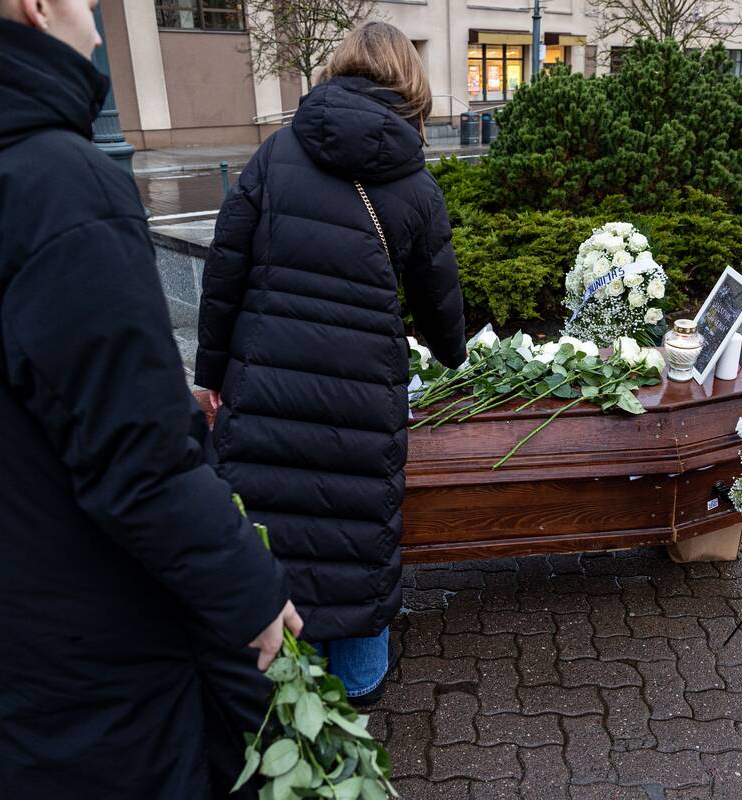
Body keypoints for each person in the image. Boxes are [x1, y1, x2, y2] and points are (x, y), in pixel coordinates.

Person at [0, 2, 302, 797]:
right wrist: (247, 589)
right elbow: (137, 456)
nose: (97, 24)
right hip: (108, 626)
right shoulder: (51, 181)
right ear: (35, 6)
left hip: (8, 621)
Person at [195, 21, 467, 706]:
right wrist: (453, 353)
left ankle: (277, 673)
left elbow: (225, 269)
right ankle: (359, 679)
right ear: (411, 84)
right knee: (356, 528)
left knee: (271, 518)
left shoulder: (276, 153)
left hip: (267, 378)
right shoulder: (416, 184)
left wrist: (211, 374)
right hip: (363, 395)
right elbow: (439, 303)